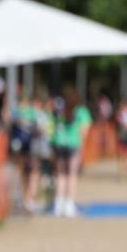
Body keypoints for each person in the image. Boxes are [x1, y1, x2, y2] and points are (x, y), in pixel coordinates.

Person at [50, 88, 92, 217]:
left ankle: (58, 204)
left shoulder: (59, 110)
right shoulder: (82, 112)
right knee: (71, 175)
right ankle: (69, 204)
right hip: (73, 145)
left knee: (61, 174)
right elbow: (84, 132)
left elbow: (52, 126)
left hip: (59, 144)